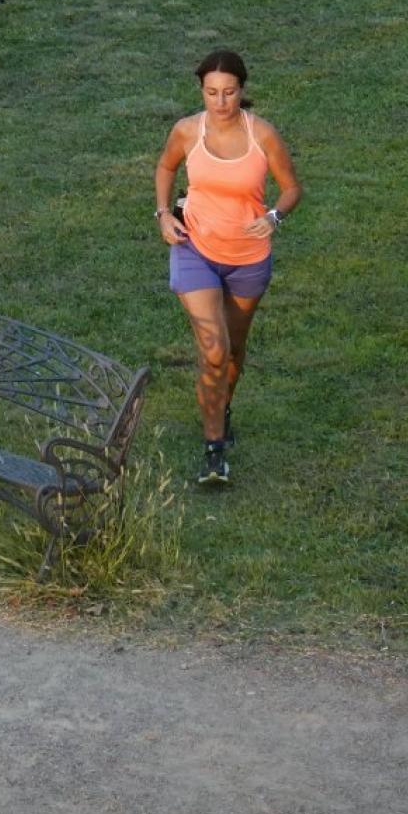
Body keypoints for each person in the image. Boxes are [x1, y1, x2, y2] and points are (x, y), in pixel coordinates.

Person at [153, 50, 302, 487]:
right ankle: (214, 450)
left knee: (234, 352)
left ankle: (221, 406)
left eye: (229, 92)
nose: (220, 102)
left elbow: (292, 188)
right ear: (202, 90)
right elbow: (166, 166)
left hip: (248, 259)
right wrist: (163, 213)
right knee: (214, 349)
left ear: (242, 90)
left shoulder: (263, 136)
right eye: (212, 92)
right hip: (194, 248)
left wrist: (274, 216)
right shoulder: (186, 130)